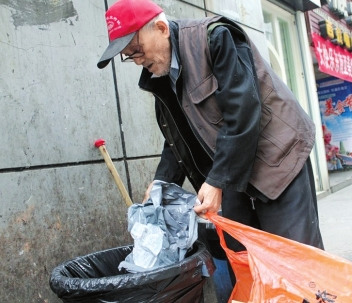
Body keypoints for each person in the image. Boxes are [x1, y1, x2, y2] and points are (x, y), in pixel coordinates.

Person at [97, 0, 324, 257]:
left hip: (278, 157)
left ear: (161, 28)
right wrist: (162, 181)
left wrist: (216, 181)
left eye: (137, 50)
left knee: (296, 256)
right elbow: (178, 136)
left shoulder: (215, 37)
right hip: (235, 166)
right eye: (129, 55)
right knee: (245, 254)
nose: (138, 61)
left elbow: (243, 110)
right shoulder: (160, 76)